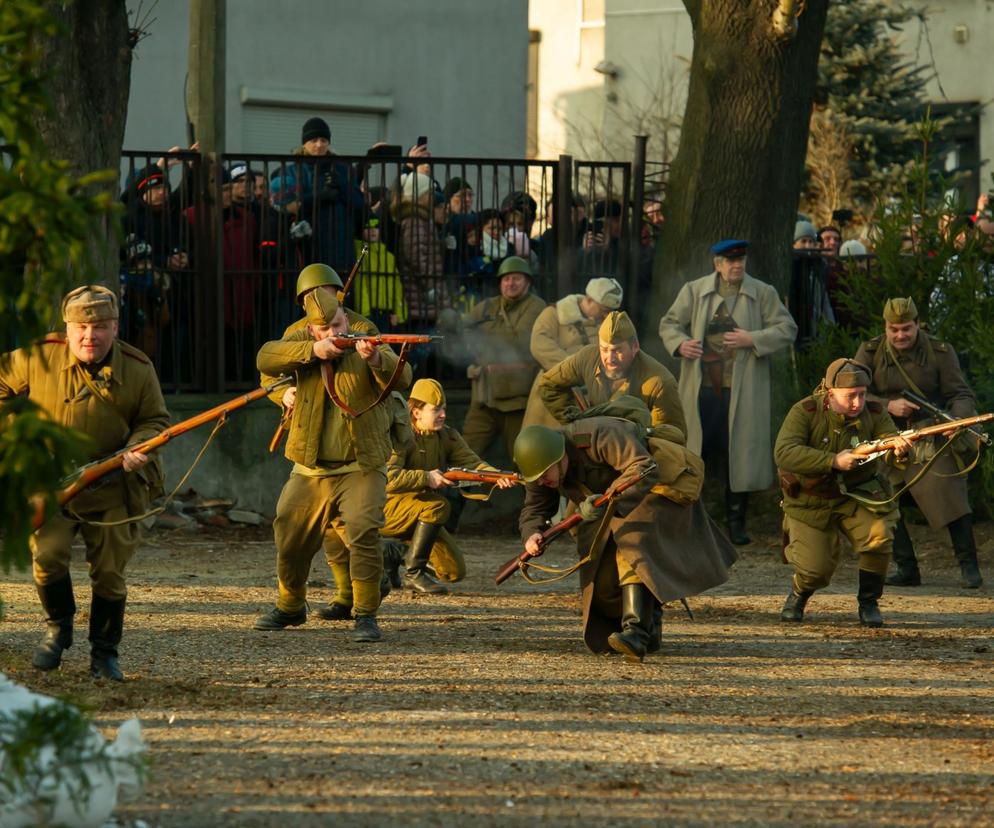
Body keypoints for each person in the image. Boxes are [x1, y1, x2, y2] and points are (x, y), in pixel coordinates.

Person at [0, 286, 170, 680]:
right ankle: (58, 629)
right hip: (51, 484)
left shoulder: (138, 368)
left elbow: (156, 421)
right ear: (67, 328)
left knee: (109, 572)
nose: (88, 336)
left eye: (98, 327)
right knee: (47, 558)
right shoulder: (37, 357)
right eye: (80, 327)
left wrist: (135, 449)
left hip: (114, 485)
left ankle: (105, 652)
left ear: (114, 327)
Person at [254, 287, 412, 642]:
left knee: (363, 532)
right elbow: (266, 359)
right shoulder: (300, 342)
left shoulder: (365, 334)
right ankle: (291, 606)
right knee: (289, 533)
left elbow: (403, 378)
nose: (336, 333)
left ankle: (366, 614)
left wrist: (374, 360)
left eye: (339, 324)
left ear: (345, 315)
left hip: (362, 463)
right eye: (325, 329)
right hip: (311, 467)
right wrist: (312, 353)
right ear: (312, 329)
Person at [514, 417, 737, 663]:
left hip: (653, 493)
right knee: (601, 582)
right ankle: (649, 622)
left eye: (545, 475)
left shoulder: (599, 435)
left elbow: (642, 467)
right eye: (538, 479)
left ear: (559, 458)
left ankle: (636, 632)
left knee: (631, 544)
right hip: (606, 511)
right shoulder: (540, 471)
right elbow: (534, 509)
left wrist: (607, 501)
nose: (543, 482)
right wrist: (532, 534)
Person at [659, 239, 798, 544]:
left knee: (739, 455)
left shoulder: (762, 293)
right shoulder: (695, 291)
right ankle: (693, 520)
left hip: (743, 391)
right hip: (702, 390)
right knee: (695, 453)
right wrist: (680, 343)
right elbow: (669, 323)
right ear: (717, 264)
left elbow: (787, 329)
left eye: (741, 260)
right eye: (730, 261)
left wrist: (753, 338)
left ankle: (737, 522)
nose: (737, 266)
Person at [854, 297, 983, 588]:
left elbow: (961, 394)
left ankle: (968, 567)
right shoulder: (870, 351)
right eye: (894, 329)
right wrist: (888, 405)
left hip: (931, 434)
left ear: (917, 325)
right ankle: (907, 568)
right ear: (885, 327)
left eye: (906, 329)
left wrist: (956, 422)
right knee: (883, 494)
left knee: (947, 488)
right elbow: (854, 392)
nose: (900, 335)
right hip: (887, 438)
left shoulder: (940, 352)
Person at [774, 358, 910, 627]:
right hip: (811, 500)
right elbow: (784, 452)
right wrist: (833, 461)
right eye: (850, 396)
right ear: (829, 392)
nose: (857, 403)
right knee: (816, 571)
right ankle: (800, 592)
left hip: (858, 495)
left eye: (861, 395)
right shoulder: (805, 411)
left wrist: (901, 452)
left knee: (879, 537)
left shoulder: (873, 412)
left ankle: (869, 602)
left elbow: (890, 448)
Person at [381, 379, 517, 595]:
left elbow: (474, 464)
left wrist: (497, 476)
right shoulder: (401, 436)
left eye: (444, 408)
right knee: (438, 505)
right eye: (436, 410)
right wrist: (426, 478)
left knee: (453, 572)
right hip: (387, 511)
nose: (443, 414)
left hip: (421, 513)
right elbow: (388, 478)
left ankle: (396, 554)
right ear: (416, 413)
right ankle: (413, 574)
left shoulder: (447, 435)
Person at [538, 311, 687, 439]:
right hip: (594, 447)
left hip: (636, 456)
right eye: (604, 349)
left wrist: (640, 435)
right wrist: (576, 422)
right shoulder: (587, 357)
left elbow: (674, 435)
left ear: (634, 347)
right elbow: (549, 385)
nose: (609, 358)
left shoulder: (659, 382)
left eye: (617, 350)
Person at [460, 255, 546, 463]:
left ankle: (532, 497)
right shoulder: (488, 306)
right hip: (484, 398)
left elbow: (519, 343)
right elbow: (463, 331)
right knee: (464, 456)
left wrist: (483, 332)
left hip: (517, 401)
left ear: (528, 282)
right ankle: (458, 496)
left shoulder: (536, 306)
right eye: (506, 279)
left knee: (525, 460)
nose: (510, 283)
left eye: (516, 278)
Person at [522, 277, 623, 428]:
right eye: (604, 310)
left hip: (587, 400)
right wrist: (576, 369)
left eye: (609, 312)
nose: (606, 316)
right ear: (589, 300)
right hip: (552, 393)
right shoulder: (554, 314)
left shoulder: (606, 325)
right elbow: (540, 346)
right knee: (541, 446)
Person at [270, 116, 363, 273]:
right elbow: (284, 206)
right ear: (304, 143)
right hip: (305, 248)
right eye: (313, 140)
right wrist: (318, 197)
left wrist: (342, 186)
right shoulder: (291, 170)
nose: (319, 144)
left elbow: (359, 204)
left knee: (339, 295)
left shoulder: (342, 169)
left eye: (323, 140)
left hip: (339, 248)